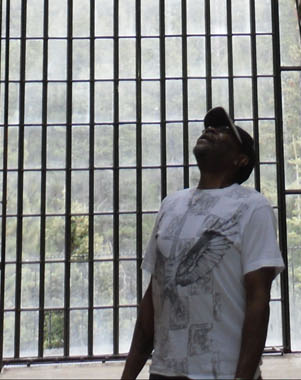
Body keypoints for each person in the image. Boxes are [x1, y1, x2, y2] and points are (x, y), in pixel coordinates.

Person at [121, 107, 283, 380]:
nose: (210, 130)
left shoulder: (252, 207)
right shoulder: (170, 205)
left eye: (223, 131)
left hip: (222, 372)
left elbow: (258, 299)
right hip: (165, 371)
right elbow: (154, 294)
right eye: (209, 127)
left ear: (241, 160)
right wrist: (128, 375)